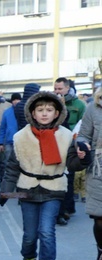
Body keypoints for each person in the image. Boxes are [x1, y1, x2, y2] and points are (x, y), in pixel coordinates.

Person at [0, 91, 88, 260]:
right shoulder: (21, 137)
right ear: (33, 112)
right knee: (30, 234)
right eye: (40, 110)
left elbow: (72, 164)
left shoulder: (66, 136)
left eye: (49, 110)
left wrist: (83, 158)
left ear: (57, 113)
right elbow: (13, 167)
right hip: (27, 189)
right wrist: (5, 190)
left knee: (46, 231)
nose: (45, 113)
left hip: (54, 189)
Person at [76, 86, 102, 260]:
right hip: (99, 168)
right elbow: (84, 133)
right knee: (100, 217)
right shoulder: (93, 108)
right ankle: (101, 251)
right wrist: (83, 144)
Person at [55, 77, 87, 224]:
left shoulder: (79, 104)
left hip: (72, 143)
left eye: (60, 89)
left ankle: (67, 209)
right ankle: (61, 209)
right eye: (55, 88)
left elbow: (84, 126)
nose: (57, 91)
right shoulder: (52, 103)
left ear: (68, 88)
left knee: (69, 177)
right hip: (56, 142)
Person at [0, 92, 22, 188]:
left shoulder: (24, 111)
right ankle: (6, 183)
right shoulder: (7, 112)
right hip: (9, 142)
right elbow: (2, 128)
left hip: (20, 142)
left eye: (18, 100)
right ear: (11, 101)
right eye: (14, 100)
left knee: (21, 163)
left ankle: (19, 183)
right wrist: (0, 143)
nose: (16, 102)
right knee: (7, 163)